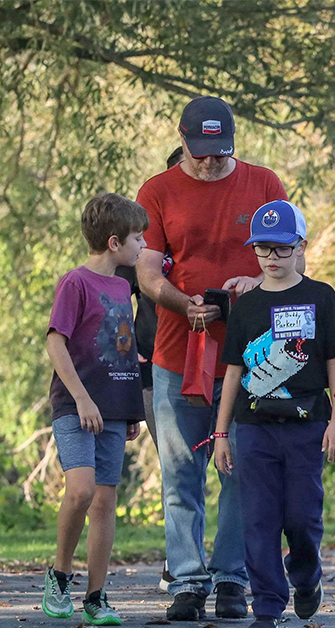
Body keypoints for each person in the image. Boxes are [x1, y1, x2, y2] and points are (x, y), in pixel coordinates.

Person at [136, 96, 289, 621]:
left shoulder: (264, 183)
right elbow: (148, 272)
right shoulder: (156, 192)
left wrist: (258, 281)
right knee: (181, 471)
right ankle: (186, 581)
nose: (209, 161)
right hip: (177, 352)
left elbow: (294, 261)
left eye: (219, 152)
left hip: (252, 358)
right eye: (200, 152)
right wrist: (183, 304)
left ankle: (231, 578)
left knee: (242, 468)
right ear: (182, 139)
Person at [212, 200, 335, 628]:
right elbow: (234, 371)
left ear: (301, 246)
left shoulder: (321, 297)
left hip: (308, 426)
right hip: (254, 428)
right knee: (259, 520)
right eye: (263, 249)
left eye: (282, 248)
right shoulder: (248, 306)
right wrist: (221, 434)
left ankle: (307, 579)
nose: (272, 258)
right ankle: (268, 607)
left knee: (302, 519)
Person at [42, 192, 148, 626]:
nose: (143, 245)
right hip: (75, 405)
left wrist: (131, 407)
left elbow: (124, 348)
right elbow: (55, 342)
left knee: (105, 502)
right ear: (113, 242)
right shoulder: (76, 282)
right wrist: (83, 397)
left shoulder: (123, 286)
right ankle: (60, 576)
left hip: (114, 409)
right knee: (82, 491)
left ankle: (96, 596)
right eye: (138, 237)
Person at [115, 145, 183, 593]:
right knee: (176, 467)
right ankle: (178, 563)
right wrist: (128, 351)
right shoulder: (144, 238)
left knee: (230, 465)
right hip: (155, 365)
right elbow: (117, 299)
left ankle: (233, 566)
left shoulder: (226, 229)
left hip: (222, 365)